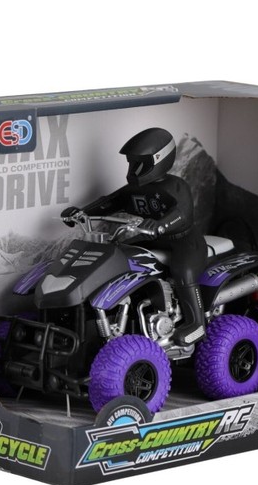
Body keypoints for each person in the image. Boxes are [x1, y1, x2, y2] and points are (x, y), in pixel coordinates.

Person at [61, 127, 207, 346]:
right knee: (121, 253)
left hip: (185, 240)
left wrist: (161, 225)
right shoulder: (133, 190)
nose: (133, 170)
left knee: (183, 270)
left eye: (140, 164)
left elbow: (182, 214)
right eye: (132, 163)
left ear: (159, 160)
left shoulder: (176, 187)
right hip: (153, 237)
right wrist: (82, 213)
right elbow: (109, 202)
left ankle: (197, 324)